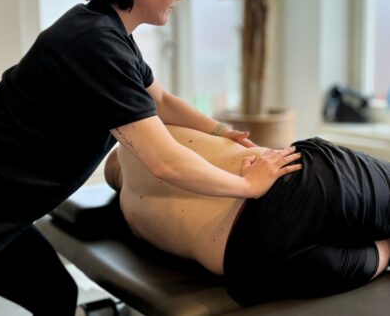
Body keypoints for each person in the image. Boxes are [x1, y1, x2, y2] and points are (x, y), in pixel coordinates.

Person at [0, 0, 301, 316]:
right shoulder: (95, 44)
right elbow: (165, 162)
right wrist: (248, 186)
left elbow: (160, 101)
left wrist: (221, 131)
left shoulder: (107, 32)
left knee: (55, 294)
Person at [104, 125, 390, 306]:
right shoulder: (149, 134)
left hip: (252, 253)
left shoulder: (130, 212)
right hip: (295, 182)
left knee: (381, 253)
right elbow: (229, 139)